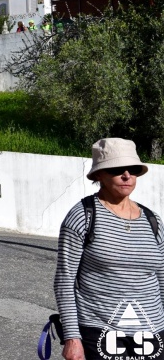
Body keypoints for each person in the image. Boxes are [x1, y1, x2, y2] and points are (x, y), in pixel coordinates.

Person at [54, 138, 164, 360]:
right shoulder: (83, 216)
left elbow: (161, 278)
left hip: (152, 334)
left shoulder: (152, 220)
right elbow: (64, 282)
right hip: (101, 333)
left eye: (132, 169)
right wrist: (72, 339)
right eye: (116, 169)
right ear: (99, 175)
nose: (126, 175)